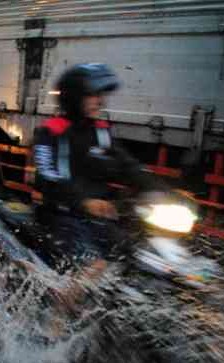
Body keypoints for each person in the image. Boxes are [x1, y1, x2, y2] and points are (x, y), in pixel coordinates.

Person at [33, 63, 166, 307]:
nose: (99, 101)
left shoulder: (101, 132)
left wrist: (162, 192)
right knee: (96, 265)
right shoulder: (51, 132)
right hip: (61, 217)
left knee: (139, 255)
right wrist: (84, 202)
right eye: (92, 95)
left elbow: (129, 166)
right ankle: (54, 325)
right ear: (74, 97)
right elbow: (47, 176)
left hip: (99, 219)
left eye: (100, 95)